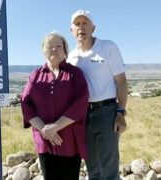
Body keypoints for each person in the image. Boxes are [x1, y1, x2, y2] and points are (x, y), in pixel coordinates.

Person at [67, 10, 128, 180]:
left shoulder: (108, 47)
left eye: (85, 23)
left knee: (109, 166)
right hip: (83, 115)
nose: (81, 28)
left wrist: (120, 112)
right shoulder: (71, 57)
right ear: (71, 30)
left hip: (107, 112)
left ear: (93, 27)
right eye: (77, 24)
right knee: (92, 165)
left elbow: (121, 81)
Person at [20, 32, 89, 180]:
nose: (54, 49)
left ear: (65, 51)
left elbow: (81, 103)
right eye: (49, 46)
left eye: (58, 46)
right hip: (45, 140)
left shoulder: (75, 73)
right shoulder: (35, 75)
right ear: (43, 50)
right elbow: (25, 102)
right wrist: (44, 129)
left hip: (69, 140)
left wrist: (55, 127)